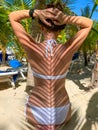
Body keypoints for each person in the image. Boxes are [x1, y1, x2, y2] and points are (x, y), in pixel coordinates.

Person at [9, 2, 93, 130]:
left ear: (41, 27)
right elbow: (88, 24)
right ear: (60, 29)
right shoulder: (67, 49)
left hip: (37, 110)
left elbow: (13, 16)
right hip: (62, 111)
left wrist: (36, 13)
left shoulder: (33, 48)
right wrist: (66, 18)